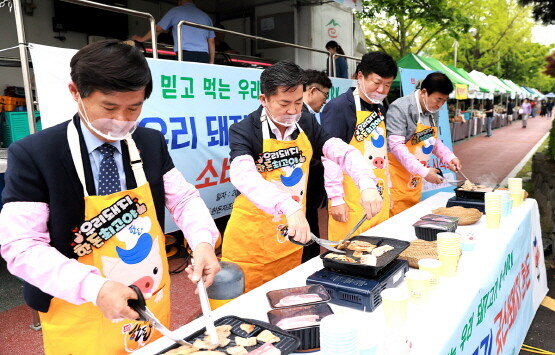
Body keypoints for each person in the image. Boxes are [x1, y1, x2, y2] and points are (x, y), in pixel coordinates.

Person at [0, 40, 220, 354]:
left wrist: (201, 241)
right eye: (108, 107)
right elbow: (19, 245)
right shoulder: (36, 154)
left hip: (149, 296)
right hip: (78, 307)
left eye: (134, 107)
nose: (121, 120)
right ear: (76, 92)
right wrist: (95, 287)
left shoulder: (150, 141)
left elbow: (183, 199)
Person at [221, 61, 383, 291]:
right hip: (252, 240)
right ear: (264, 100)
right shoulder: (245, 130)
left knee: (288, 297)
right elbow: (242, 174)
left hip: (291, 238)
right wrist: (288, 206)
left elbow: (340, 150)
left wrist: (366, 183)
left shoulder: (305, 122)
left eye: (298, 102)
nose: (293, 111)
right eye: (284, 103)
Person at [320, 52, 398, 240]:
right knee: (349, 252)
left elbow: (382, 153)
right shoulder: (338, 107)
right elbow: (329, 156)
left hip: (377, 194)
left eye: (387, 85)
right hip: (351, 197)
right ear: (360, 76)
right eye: (376, 82)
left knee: (379, 248)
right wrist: (336, 199)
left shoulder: (380, 107)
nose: (381, 90)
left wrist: (387, 190)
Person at [386, 72, 462, 216]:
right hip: (396, 177)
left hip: (415, 178)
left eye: (444, 101)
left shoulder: (433, 109)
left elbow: (432, 139)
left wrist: (449, 157)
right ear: (424, 92)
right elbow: (396, 146)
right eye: (438, 99)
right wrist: (424, 171)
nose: (440, 105)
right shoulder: (400, 107)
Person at [301, 69, 332, 261]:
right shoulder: (303, 117)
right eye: (325, 95)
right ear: (312, 91)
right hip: (302, 190)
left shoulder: (309, 117)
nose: (325, 100)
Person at [132, 0, 215, 64]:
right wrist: (211, 61)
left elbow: (158, 29)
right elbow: (211, 41)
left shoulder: (176, 11)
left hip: (186, 54)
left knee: (184, 81)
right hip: (204, 56)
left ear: (179, 2)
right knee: (200, 82)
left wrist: (142, 39)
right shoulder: (205, 16)